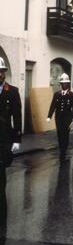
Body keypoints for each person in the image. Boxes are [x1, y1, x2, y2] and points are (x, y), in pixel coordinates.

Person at [0, 57, 22, 193]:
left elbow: (17, 116)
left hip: (4, 138)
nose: (0, 74)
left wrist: (17, 139)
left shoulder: (13, 91)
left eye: (2, 71)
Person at [47, 73, 73, 161]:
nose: (64, 85)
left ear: (68, 84)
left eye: (65, 83)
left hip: (67, 119)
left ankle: (63, 152)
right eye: (62, 83)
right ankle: (62, 150)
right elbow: (53, 105)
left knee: (65, 135)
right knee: (59, 135)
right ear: (61, 84)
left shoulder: (72, 95)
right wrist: (49, 116)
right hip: (58, 119)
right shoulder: (57, 94)